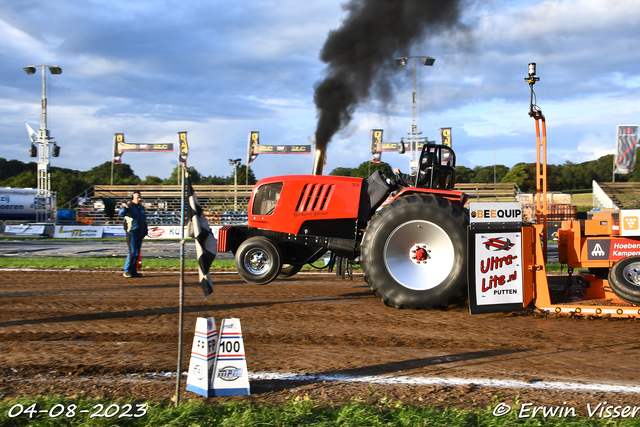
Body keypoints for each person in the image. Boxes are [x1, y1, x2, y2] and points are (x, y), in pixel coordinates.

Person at [119, 191, 148, 278]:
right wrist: (125, 207)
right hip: (132, 232)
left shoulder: (141, 208)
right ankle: (127, 270)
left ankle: (133, 270)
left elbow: (144, 220)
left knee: (137, 252)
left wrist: (145, 231)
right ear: (133, 198)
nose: (139, 199)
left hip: (140, 232)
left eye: (140, 197)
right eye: (137, 197)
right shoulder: (130, 207)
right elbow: (121, 214)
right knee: (132, 252)